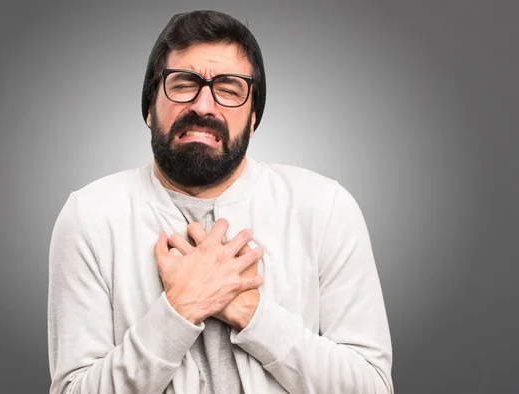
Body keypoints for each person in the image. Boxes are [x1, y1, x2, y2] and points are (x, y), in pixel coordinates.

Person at [47, 9, 393, 394]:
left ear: (253, 117)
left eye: (229, 89)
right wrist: (181, 308)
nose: (204, 106)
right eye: (182, 84)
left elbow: (372, 387)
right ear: (148, 108)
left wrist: (250, 312)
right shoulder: (91, 216)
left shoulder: (325, 209)